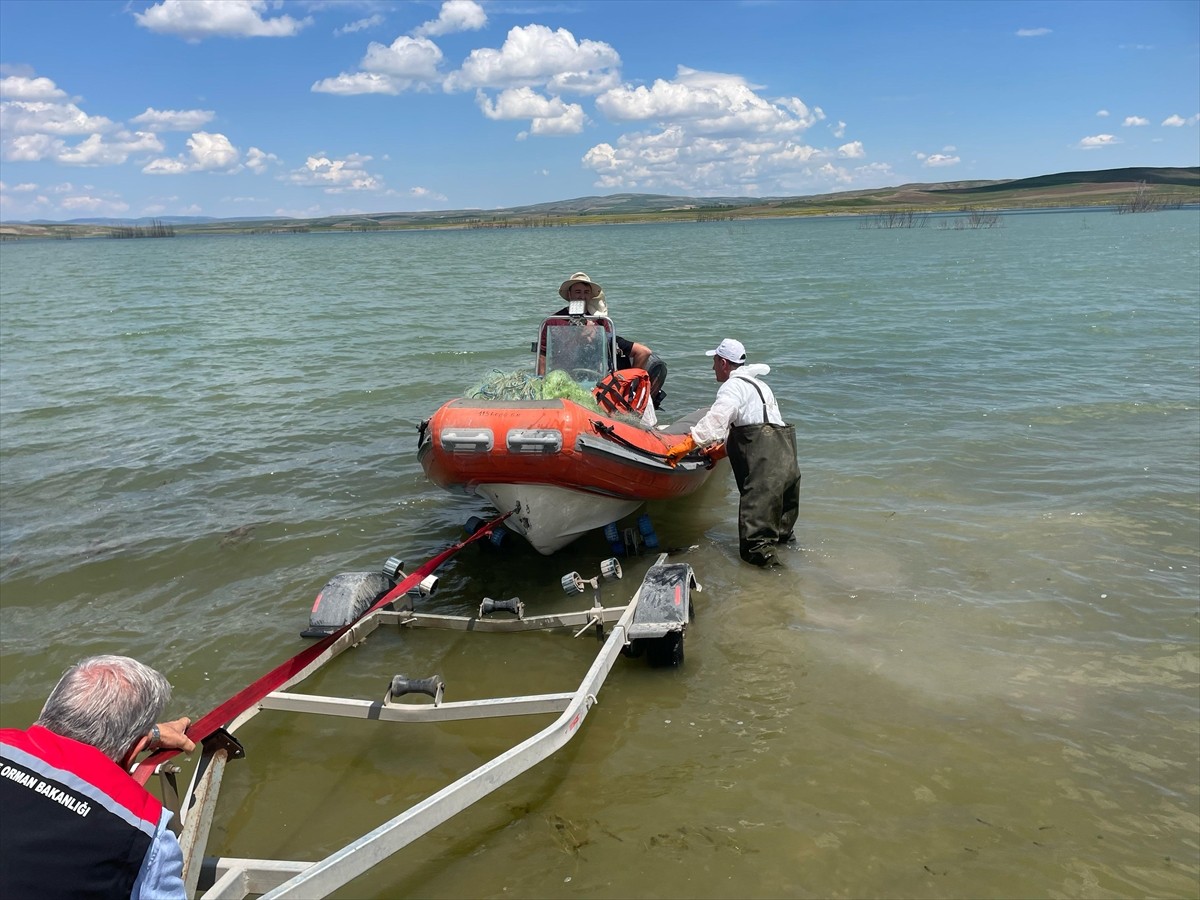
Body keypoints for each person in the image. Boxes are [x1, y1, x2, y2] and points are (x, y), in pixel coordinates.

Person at [0, 655, 196, 899]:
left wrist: (147, 735)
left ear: (47, 709)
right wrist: (139, 739)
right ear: (135, 750)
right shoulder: (142, 831)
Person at [666, 338, 801, 567]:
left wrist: (687, 444)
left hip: (765, 470)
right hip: (788, 464)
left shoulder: (731, 386)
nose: (712, 368)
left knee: (755, 548)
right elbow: (757, 428)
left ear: (724, 363)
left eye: (715, 362)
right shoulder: (760, 386)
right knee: (781, 535)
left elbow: (718, 418)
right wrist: (720, 451)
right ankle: (796, 580)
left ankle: (770, 595)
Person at [553, 272, 668, 407]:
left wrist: (628, 388)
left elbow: (642, 351)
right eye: (578, 292)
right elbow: (545, 356)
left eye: (586, 292)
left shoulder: (600, 322)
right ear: (569, 294)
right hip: (565, 377)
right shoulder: (553, 322)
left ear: (590, 296)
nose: (582, 296)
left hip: (596, 380)